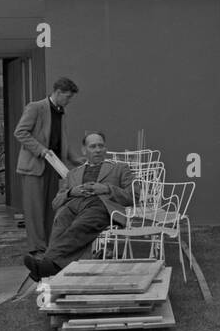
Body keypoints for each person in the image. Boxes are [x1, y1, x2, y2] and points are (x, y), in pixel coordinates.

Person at [24, 131, 133, 280]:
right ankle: (49, 266)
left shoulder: (120, 168)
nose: (98, 150)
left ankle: (47, 265)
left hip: (101, 206)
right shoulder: (73, 174)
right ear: (84, 150)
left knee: (80, 225)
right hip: (74, 204)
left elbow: (134, 196)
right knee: (61, 219)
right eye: (93, 146)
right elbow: (55, 203)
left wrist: (107, 189)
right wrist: (71, 192)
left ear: (105, 149)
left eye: (101, 146)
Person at [14, 77, 80, 254]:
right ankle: (37, 247)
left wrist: (76, 160)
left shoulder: (60, 111)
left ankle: (50, 244)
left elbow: (61, 140)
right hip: (35, 167)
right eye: (67, 97)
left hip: (54, 167)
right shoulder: (36, 107)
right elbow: (20, 132)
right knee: (34, 209)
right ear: (58, 93)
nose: (68, 101)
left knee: (52, 207)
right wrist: (41, 150)